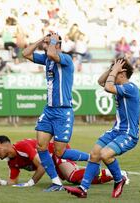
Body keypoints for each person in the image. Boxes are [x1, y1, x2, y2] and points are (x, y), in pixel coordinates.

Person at [22, 32, 89, 192]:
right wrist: (40, 39)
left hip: (63, 112)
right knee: (41, 146)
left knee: (60, 152)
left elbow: (52, 52)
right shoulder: (47, 59)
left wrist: (52, 40)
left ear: (57, 44)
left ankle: (92, 157)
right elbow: (25, 53)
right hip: (49, 111)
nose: (46, 45)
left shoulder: (65, 58)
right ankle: (56, 182)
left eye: (49, 42)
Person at [64, 58, 139, 198]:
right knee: (94, 154)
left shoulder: (131, 87)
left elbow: (107, 87)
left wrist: (115, 70)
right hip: (116, 131)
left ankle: (119, 179)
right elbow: (100, 81)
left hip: (129, 134)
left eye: (116, 73)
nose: (113, 74)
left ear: (122, 74)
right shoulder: (121, 86)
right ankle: (83, 189)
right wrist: (112, 69)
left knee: (105, 154)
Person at [0, 135, 126, 186]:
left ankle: (94, 159)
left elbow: (42, 165)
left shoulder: (22, 146)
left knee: (71, 176)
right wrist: (0, 182)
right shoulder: (11, 162)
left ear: (7, 145)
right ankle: (114, 175)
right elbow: (13, 181)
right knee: (76, 180)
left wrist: (31, 182)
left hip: (57, 151)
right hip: (52, 161)